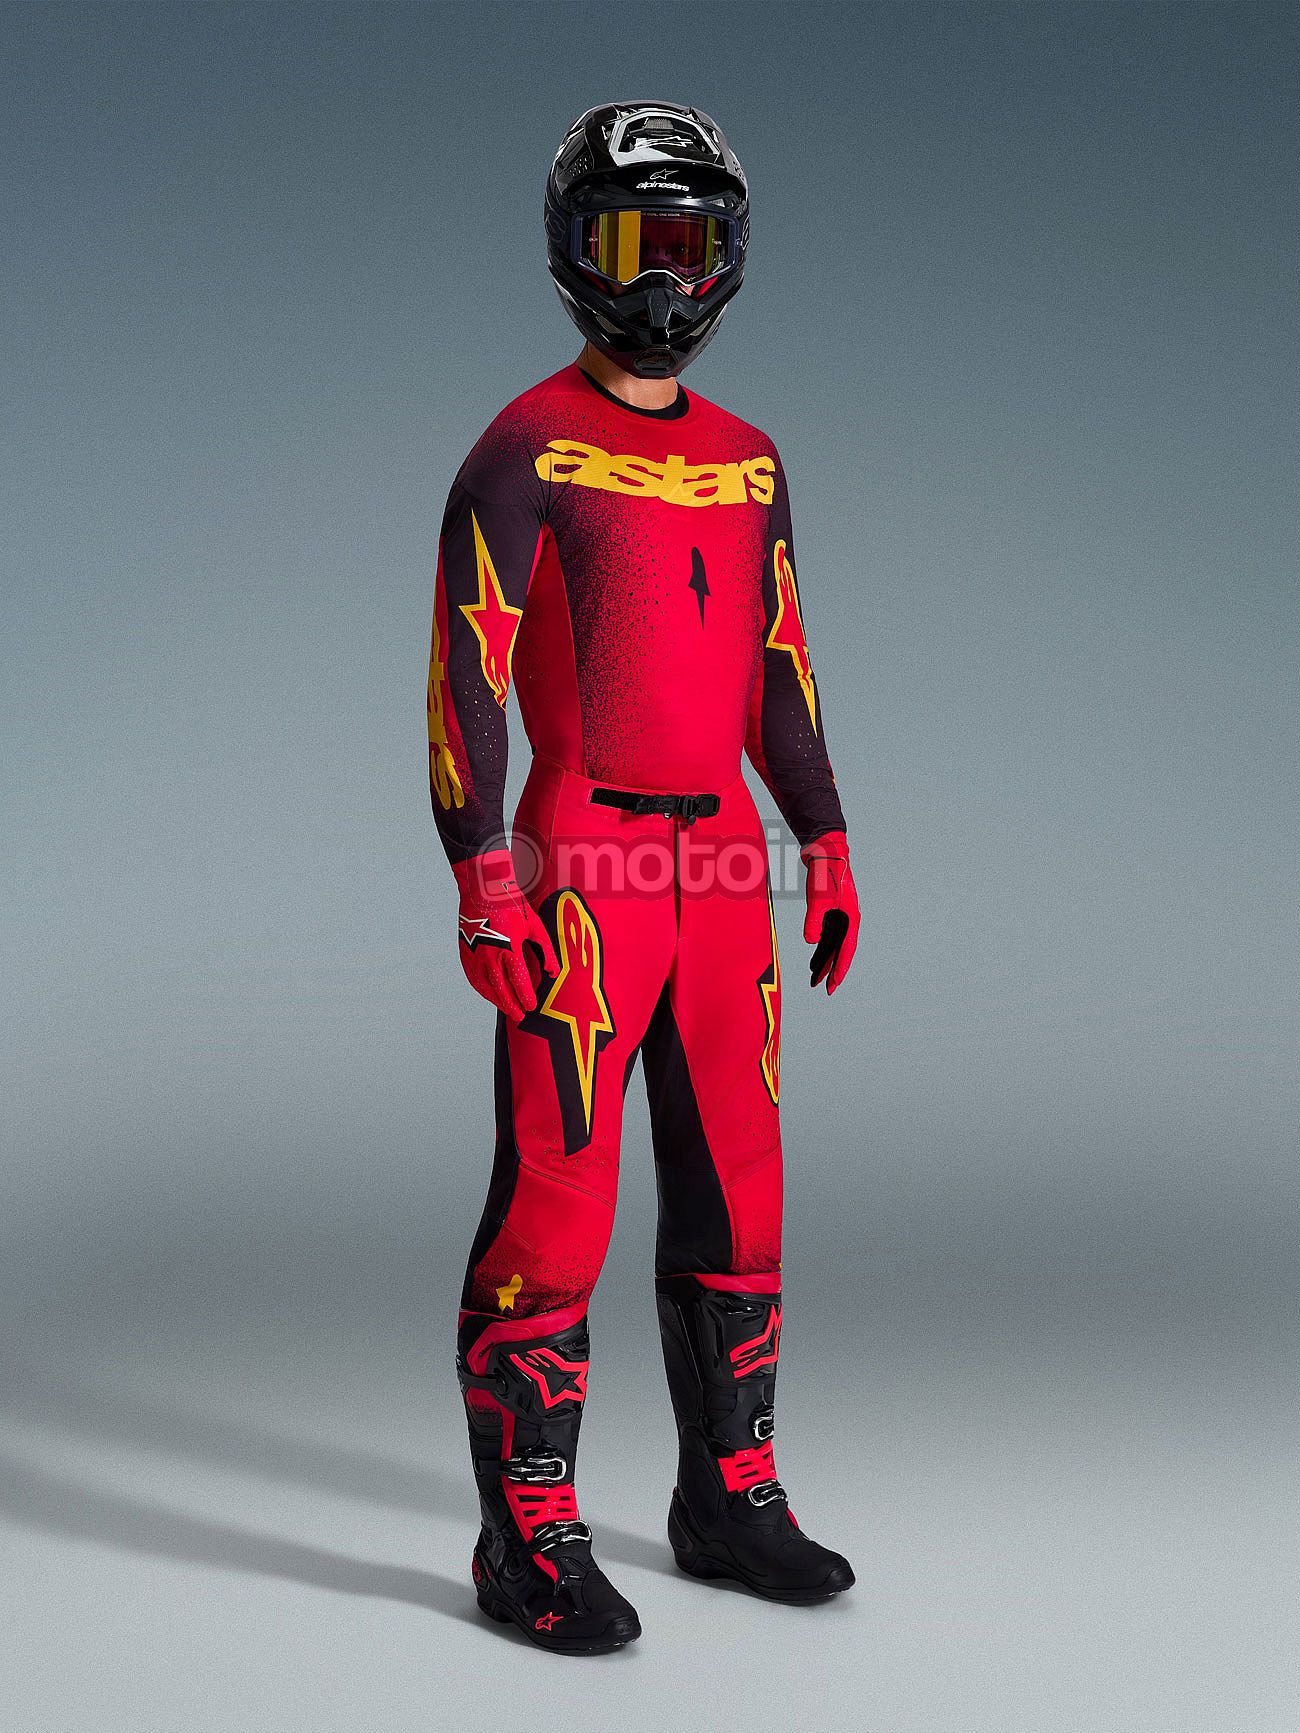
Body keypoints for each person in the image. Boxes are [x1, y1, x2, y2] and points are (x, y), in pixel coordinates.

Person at [427, 101, 861, 1654]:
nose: (665, 279)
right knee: (562, 1191)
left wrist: (826, 835)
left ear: (730, 255)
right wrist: (482, 866)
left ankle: (728, 1492)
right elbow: (465, 673)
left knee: (743, 1177)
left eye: (688, 242)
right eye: (633, 243)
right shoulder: (522, 446)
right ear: (575, 252)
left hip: (725, 864)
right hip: (582, 862)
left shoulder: (750, 462)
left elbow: (780, 661)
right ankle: (527, 1526)